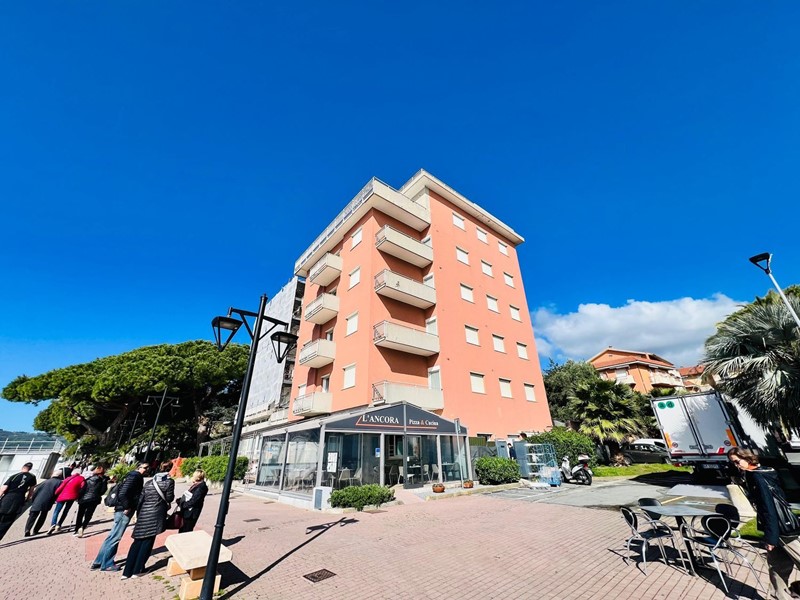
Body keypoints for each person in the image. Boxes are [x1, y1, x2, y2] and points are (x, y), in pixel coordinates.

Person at [728, 447, 800, 600]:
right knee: (777, 566)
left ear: (747, 458)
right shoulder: (765, 471)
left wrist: (771, 538)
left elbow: (768, 508)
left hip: (781, 528)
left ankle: (791, 591)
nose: (736, 465)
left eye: (737, 461)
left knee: (782, 564)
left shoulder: (757, 477)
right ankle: (781, 595)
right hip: (777, 527)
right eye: (733, 463)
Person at [121, 461, 175, 580]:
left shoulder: (149, 482)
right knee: (147, 542)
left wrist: (139, 514)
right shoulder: (169, 482)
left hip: (143, 514)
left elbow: (141, 499)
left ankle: (127, 571)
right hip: (155, 514)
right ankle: (138, 569)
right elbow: (169, 498)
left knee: (137, 542)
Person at [92, 463, 147, 572]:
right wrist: (127, 506)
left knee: (112, 536)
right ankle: (107, 564)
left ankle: (99, 561)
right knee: (115, 537)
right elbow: (122, 493)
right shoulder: (135, 476)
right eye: (145, 468)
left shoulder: (131, 476)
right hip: (123, 510)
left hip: (122, 509)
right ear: (139, 467)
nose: (146, 470)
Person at [0, 462, 37, 541]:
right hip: (18, 499)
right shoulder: (32, 477)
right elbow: (31, 491)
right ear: (30, 469)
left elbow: (3, 488)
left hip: (7, 498)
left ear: (22, 467)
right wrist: (27, 499)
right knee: (7, 521)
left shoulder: (14, 476)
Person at [25, 468, 65, 536]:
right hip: (49, 500)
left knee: (32, 515)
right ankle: (36, 530)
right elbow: (58, 492)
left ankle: (27, 529)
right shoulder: (60, 482)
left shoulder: (45, 481)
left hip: (38, 500)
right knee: (43, 516)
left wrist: (33, 499)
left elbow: (36, 491)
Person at [48, 467, 85, 534]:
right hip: (72, 497)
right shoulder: (81, 479)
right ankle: (59, 524)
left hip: (62, 496)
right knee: (66, 511)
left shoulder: (68, 478)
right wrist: (79, 496)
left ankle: (53, 524)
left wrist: (56, 493)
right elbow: (82, 488)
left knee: (57, 511)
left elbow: (61, 487)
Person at [74, 465, 107, 537]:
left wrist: (78, 497)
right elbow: (103, 491)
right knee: (88, 514)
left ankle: (77, 528)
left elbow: (83, 489)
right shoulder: (103, 481)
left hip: (84, 498)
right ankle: (83, 527)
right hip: (94, 499)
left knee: (80, 514)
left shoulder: (88, 479)